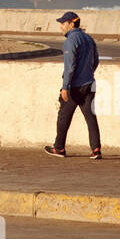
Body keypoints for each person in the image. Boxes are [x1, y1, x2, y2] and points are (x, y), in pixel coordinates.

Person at [44, 11, 102, 160]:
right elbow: (95, 61)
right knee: (91, 118)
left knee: (63, 116)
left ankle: (59, 148)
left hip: (74, 87)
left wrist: (65, 87)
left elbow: (69, 66)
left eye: (63, 24)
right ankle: (96, 149)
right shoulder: (89, 39)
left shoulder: (70, 40)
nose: (61, 27)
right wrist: (88, 74)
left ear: (71, 24)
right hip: (89, 84)